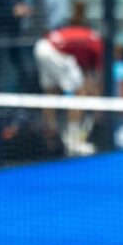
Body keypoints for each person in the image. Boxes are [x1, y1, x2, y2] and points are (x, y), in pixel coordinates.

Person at [33, 9, 103, 155]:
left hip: (40, 47)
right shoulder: (100, 46)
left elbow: (86, 72)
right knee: (79, 93)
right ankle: (73, 140)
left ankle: (50, 140)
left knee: (51, 92)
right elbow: (96, 81)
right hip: (54, 51)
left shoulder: (91, 37)